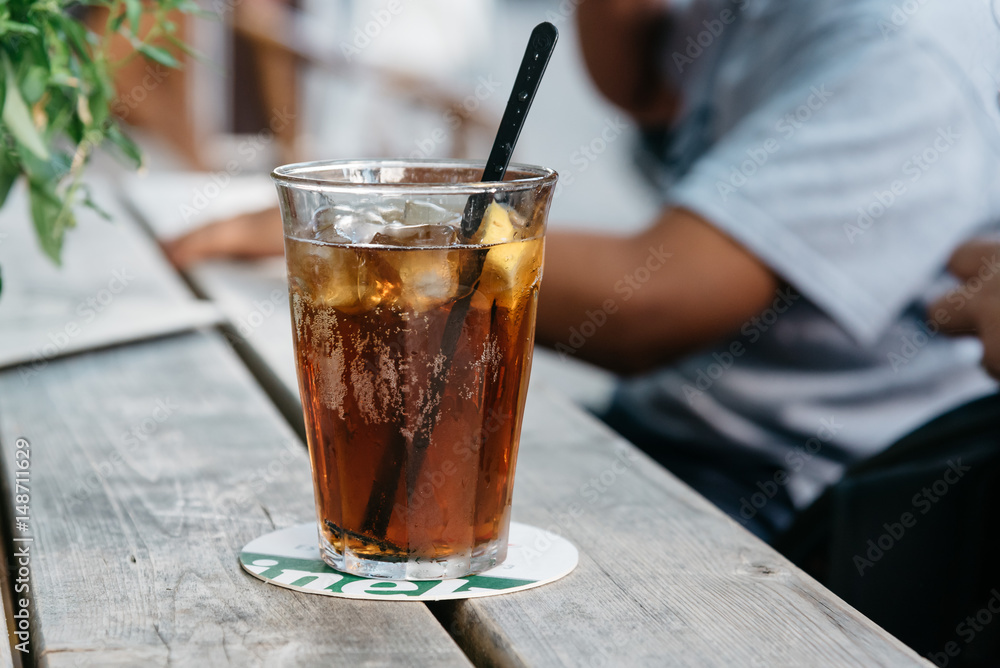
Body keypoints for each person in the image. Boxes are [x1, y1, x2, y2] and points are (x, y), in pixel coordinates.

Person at [164, 0, 1000, 541]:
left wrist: (366, 252)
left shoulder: (902, 39)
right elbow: (642, 94)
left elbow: (657, 300)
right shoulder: (750, 19)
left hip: (796, 493)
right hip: (668, 433)